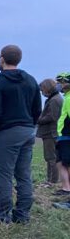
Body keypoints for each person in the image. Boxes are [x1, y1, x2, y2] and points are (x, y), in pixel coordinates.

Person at [0, 45, 41, 223]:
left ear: (2, 59)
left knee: (3, 175)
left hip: (6, 132)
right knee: (23, 174)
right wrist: (30, 126)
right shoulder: (31, 80)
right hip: (27, 131)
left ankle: (3, 216)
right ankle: (23, 214)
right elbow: (37, 109)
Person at [36, 78, 64, 185]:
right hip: (51, 132)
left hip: (51, 132)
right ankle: (50, 180)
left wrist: (37, 120)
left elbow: (52, 116)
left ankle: (52, 181)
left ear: (47, 89)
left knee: (51, 158)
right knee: (50, 157)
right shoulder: (55, 98)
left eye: (42, 90)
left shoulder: (54, 100)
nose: (42, 93)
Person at [53, 72, 70, 209]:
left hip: (67, 136)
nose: (58, 84)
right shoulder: (66, 97)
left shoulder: (69, 99)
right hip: (63, 135)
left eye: (60, 81)